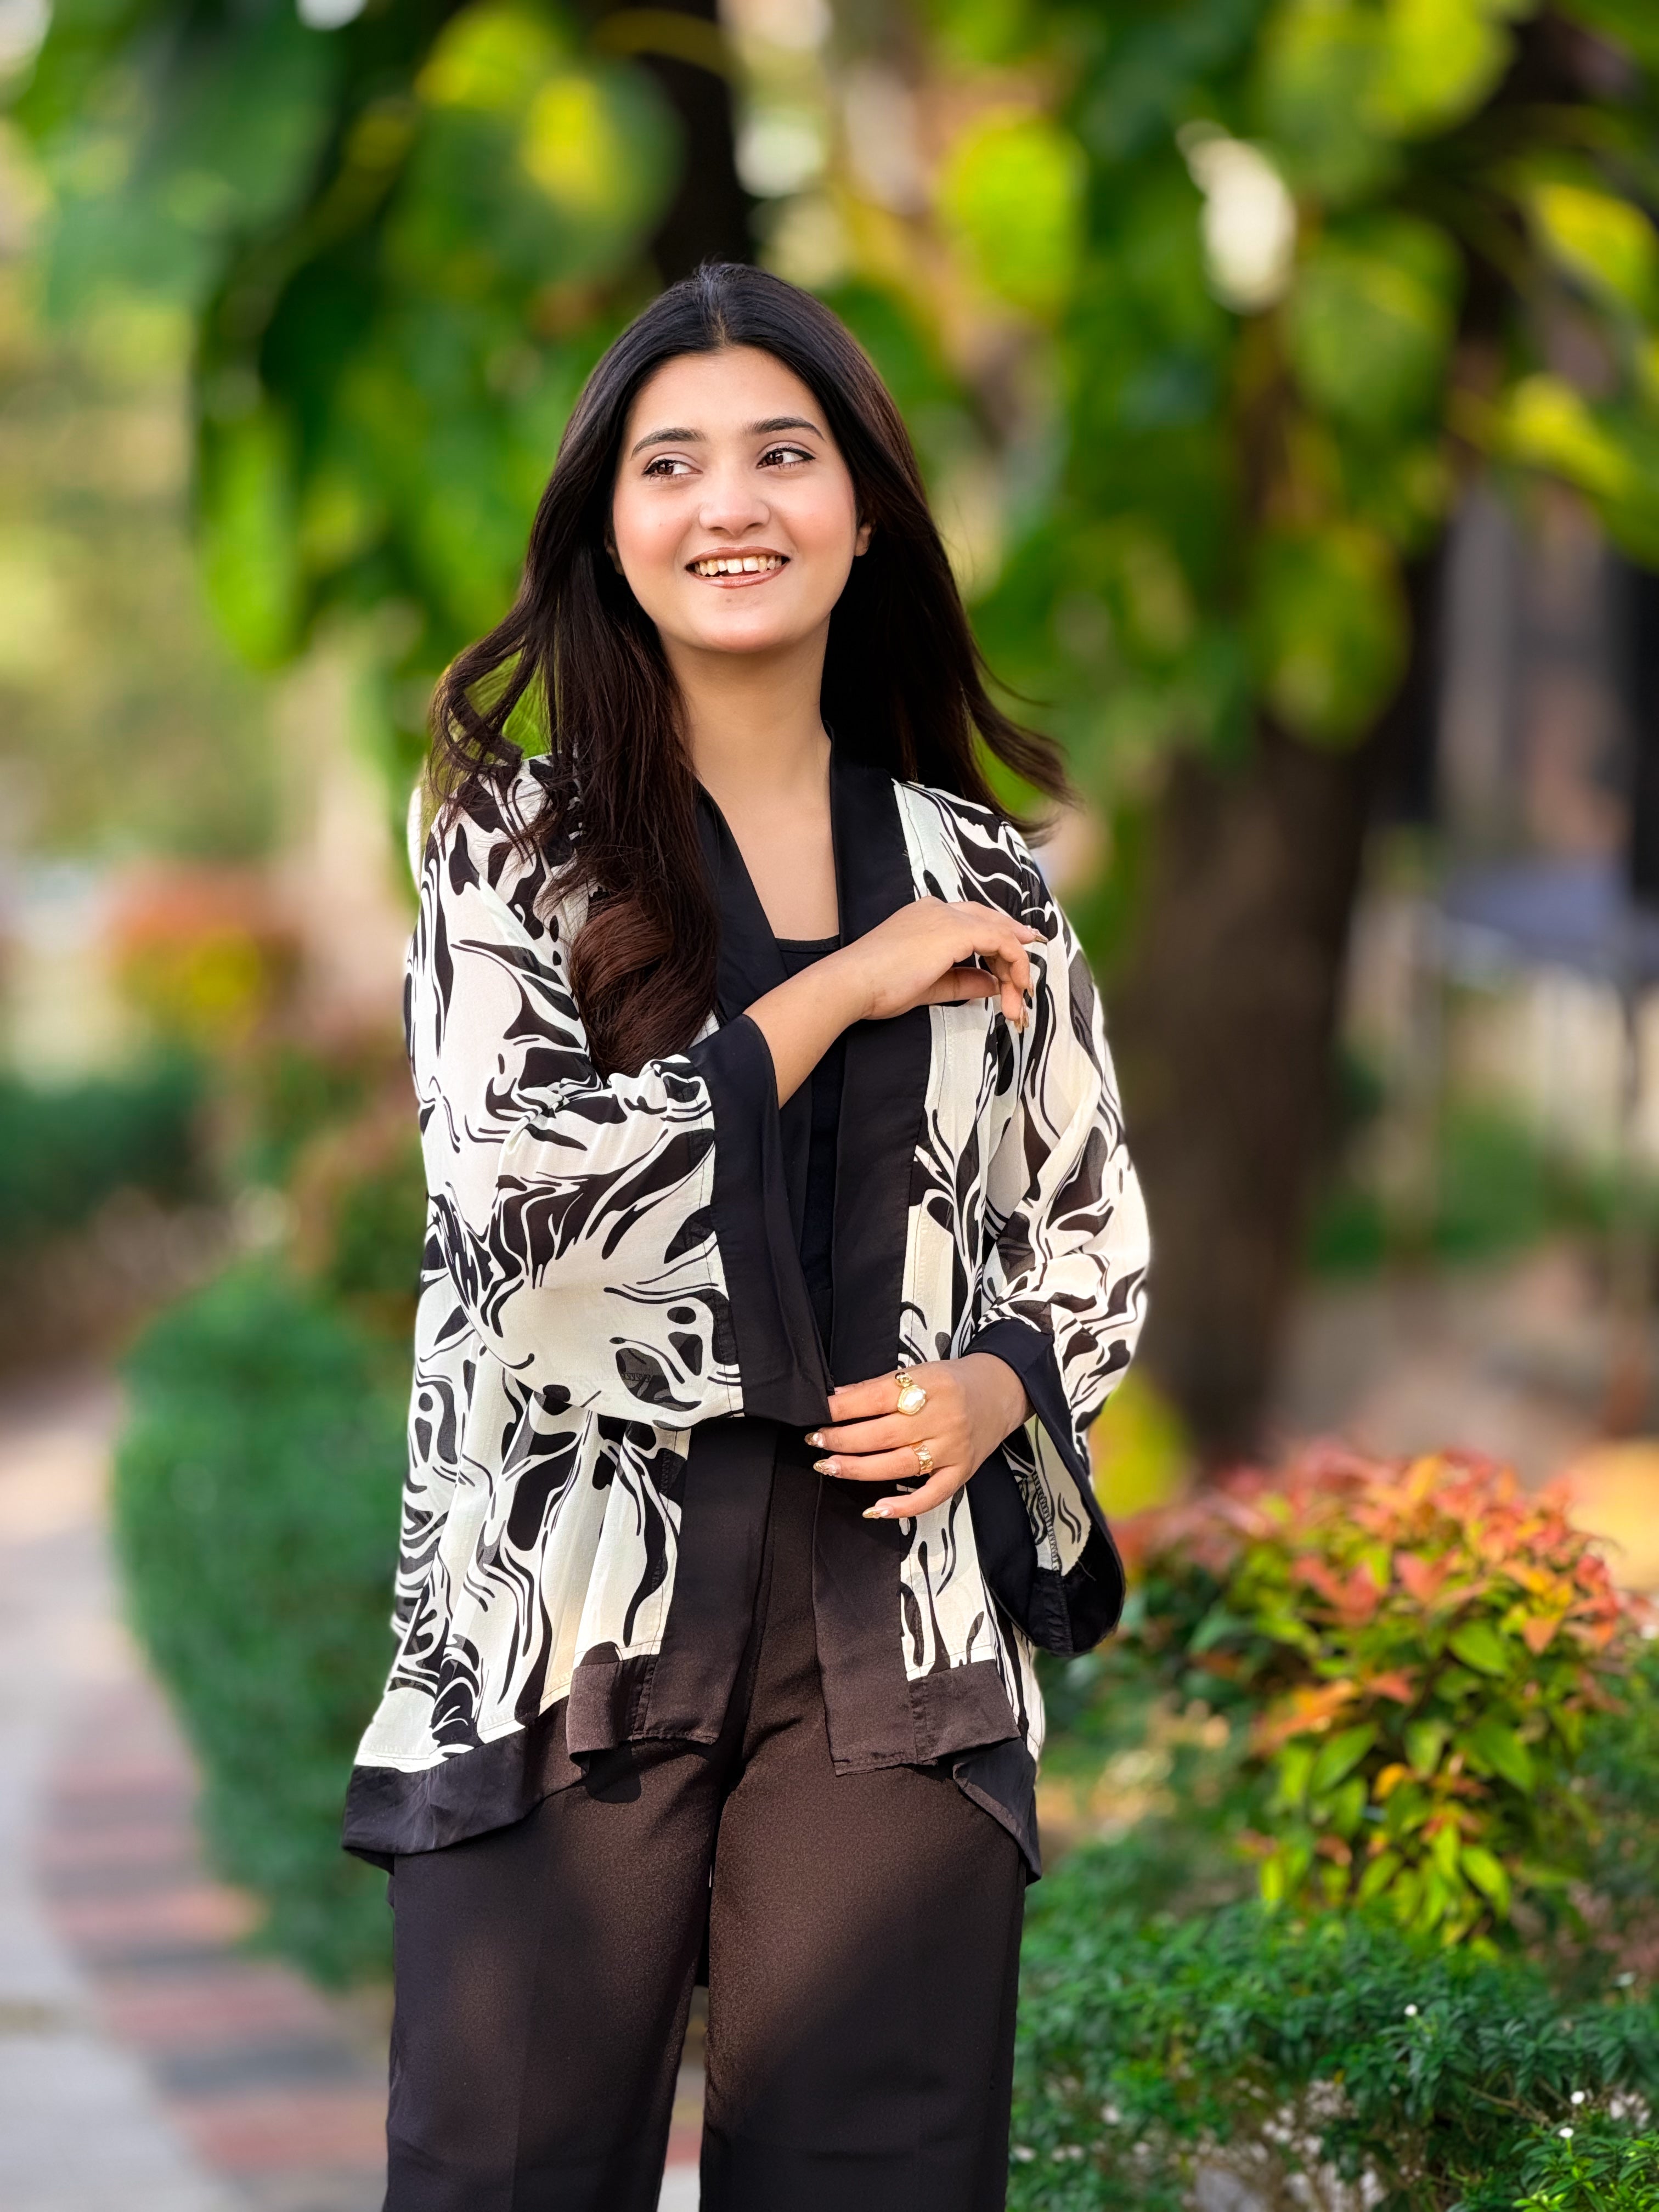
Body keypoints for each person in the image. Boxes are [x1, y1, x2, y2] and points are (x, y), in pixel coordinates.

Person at [343, 262, 1149, 2212]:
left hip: (893, 1640)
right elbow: (514, 1216)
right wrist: (836, 995)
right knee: (501, 2178)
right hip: (567, 1641)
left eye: (784, 455)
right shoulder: (512, 847)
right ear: (611, 530)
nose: (732, 506)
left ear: (863, 509)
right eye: (671, 463)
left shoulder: (982, 873)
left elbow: (1090, 1219)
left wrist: (1000, 1384)